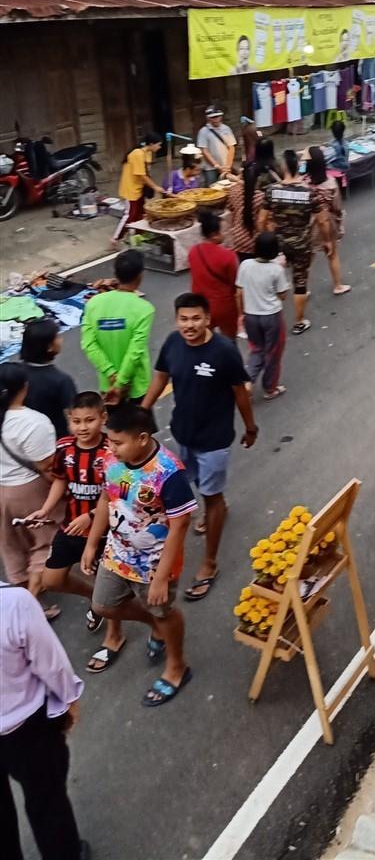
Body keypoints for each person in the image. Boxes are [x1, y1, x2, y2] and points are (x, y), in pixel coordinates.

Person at [142, 294, 256, 601]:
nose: (189, 325)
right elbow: (160, 378)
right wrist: (143, 412)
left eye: (195, 319)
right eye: (183, 319)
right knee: (193, 483)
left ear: (207, 319)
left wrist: (250, 426)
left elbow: (240, 393)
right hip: (183, 434)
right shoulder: (172, 344)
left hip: (214, 440)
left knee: (210, 495)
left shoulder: (224, 351)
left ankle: (209, 563)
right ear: (176, 319)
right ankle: (216, 506)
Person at [83, 404, 196, 707]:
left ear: (143, 438)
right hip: (116, 553)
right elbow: (107, 498)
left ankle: (176, 667)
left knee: (164, 610)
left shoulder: (169, 474)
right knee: (104, 605)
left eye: (118, 442)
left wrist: (161, 578)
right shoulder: (112, 460)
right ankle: (155, 625)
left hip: (153, 565)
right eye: (110, 441)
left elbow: (179, 526)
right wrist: (92, 543)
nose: (111, 448)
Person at [25, 392, 125, 673]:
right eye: (76, 421)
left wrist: (92, 516)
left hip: (106, 532)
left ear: (103, 418)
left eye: (90, 420)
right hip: (70, 526)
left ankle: (115, 637)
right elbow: (60, 481)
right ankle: (96, 599)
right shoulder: (64, 448)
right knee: (52, 579)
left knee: (113, 590)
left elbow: (116, 494)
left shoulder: (112, 450)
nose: (83, 427)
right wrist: (45, 510)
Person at [0, 583, 86, 860]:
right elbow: (52, 665)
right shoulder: (14, 603)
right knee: (48, 803)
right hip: (26, 728)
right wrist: (69, 700)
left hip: (23, 727)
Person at [0, 364, 61, 617]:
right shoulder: (33, 423)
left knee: (11, 545)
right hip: (28, 489)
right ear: (24, 388)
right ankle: (28, 610)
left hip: (2, 489)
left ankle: (22, 594)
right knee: (43, 541)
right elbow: (48, 467)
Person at [80, 249, 155, 406]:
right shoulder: (144, 309)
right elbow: (135, 351)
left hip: (108, 387)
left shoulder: (93, 303)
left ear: (116, 273)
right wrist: (121, 383)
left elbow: (88, 344)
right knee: (140, 429)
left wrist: (111, 374)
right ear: (140, 275)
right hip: (136, 387)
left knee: (115, 429)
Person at [266, 151, 326, 333]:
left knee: (273, 280)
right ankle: (299, 321)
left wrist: (269, 234)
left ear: (283, 167)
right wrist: (327, 241)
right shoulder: (310, 192)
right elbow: (322, 220)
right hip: (302, 244)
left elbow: (263, 220)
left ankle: (269, 319)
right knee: (300, 282)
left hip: (278, 244)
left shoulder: (271, 191)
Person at [236, 233, 289, 401]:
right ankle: (270, 388)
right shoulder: (276, 270)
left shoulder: (245, 265)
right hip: (271, 316)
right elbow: (282, 295)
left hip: (251, 315)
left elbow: (239, 291)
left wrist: (241, 313)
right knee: (273, 353)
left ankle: (247, 381)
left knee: (257, 349)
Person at [305, 146, 351, 295]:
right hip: (328, 224)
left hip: (309, 223)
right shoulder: (330, 183)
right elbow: (337, 206)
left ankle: (303, 288)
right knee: (332, 254)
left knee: (308, 257)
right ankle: (338, 285)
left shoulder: (305, 184)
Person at [188, 210, 239, 340]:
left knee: (204, 340)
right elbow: (234, 284)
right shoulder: (228, 256)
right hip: (224, 306)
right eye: (224, 231)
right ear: (214, 234)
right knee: (229, 342)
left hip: (201, 306)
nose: (227, 233)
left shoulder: (193, 251)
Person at [21, 319, 76, 439]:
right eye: (57, 337)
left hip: (22, 437)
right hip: (54, 439)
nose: (61, 339)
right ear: (49, 347)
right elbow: (74, 418)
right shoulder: (62, 381)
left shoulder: (15, 373)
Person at [227, 138, 279, 262]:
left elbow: (230, 208)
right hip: (258, 242)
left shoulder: (234, 191)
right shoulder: (263, 194)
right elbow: (266, 221)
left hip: (239, 239)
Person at [113, 132, 164, 241]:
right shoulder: (137, 154)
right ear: (151, 144)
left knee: (141, 214)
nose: (159, 147)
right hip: (130, 189)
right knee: (130, 216)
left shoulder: (148, 153)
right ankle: (116, 239)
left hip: (139, 188)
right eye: (158, 145)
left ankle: (139, 236)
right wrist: (155, 187)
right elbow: (142, 175)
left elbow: (147, 171)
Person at [197, 106, 236, 187]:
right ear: (208, 118)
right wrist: (216, 165)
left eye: (217, 116)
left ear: (221, 116)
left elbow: (231, 147)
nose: (215, 119)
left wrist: (228, 165)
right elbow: (204, 150)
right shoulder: (203, 131)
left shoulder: (226, 129)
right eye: (213, 117)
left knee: (228, 187)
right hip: (210, 168)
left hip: (225, 166)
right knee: (212, 189)